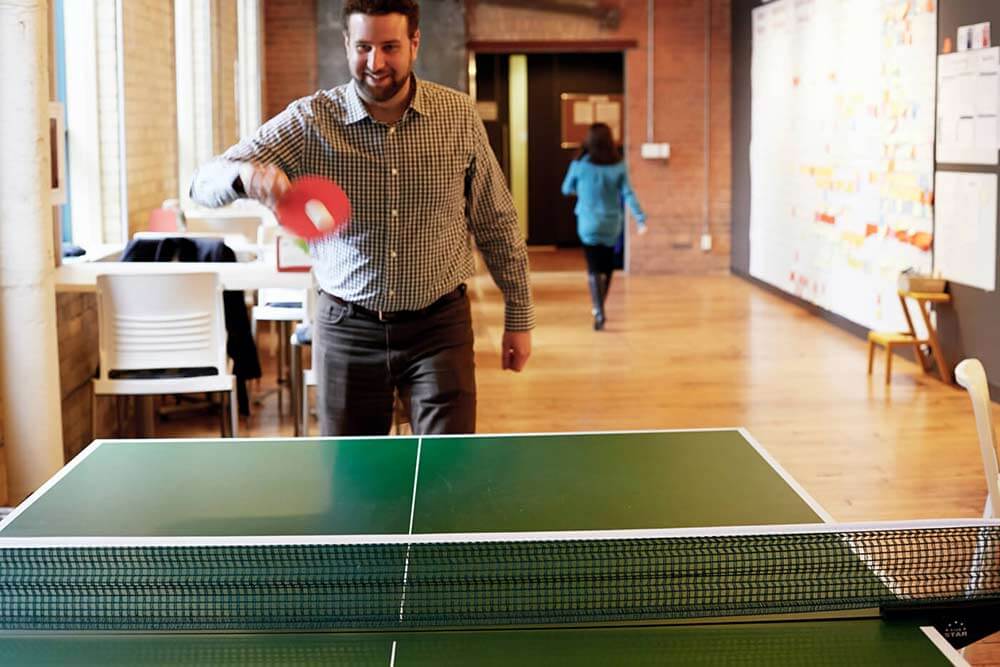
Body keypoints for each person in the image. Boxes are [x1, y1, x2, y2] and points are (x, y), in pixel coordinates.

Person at [190, 0, 533, 436]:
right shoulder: (309, 119)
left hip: (439, 329)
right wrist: (242, 175)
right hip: (346, 329)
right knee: (354, 478)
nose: (376, 62)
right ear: (347, 44)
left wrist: (518, 317)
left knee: (447, 473)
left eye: (390, 46)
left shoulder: (459, 116)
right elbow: (201, 183)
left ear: (414, 43)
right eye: (364, 46)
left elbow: (496, 221)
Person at [560, 122, 646, 330]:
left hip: (587, 223)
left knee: (593, 267)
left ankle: (598, 310)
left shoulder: (579, 165)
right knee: (607, 268)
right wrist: (640, 218)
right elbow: (628, 194)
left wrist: (583, 193)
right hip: (611, 223)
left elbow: (566, 189)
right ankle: (599, 307)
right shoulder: (619, 165)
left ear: (589, 141)